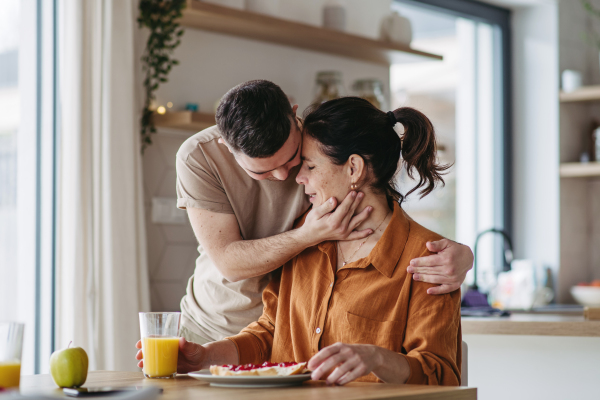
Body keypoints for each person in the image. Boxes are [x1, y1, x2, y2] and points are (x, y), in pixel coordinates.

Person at [137, 97, 461, 385]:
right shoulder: (304, 239)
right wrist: (206, 357)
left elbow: (441, 375)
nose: (296, 177)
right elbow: (269, 332)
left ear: (353, 168)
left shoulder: (428, 259)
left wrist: (376, 358)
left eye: (307, 165)